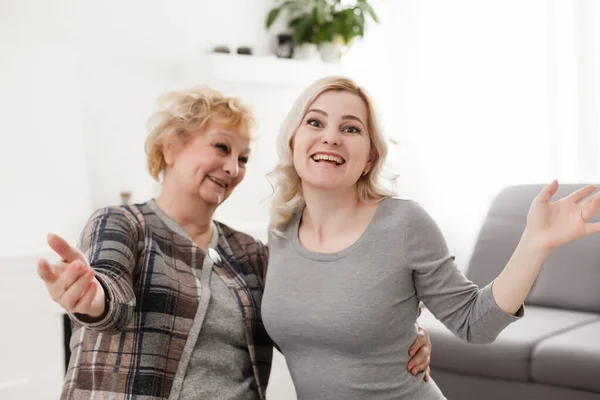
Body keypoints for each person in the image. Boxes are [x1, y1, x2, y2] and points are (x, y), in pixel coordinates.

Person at [37, 85, 433, 400]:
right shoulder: (124, 223)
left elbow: (311, 321)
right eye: (222, 148)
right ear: (170, 147)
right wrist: (93, 300)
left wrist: (397, 333)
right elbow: (112, 293)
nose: (232, 168)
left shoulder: (251, 252)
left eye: (243, 159)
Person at [261, 76, 600, 400]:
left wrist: (534, 243)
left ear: (369, 159)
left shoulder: (404, 224)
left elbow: (474, 324)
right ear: (293, 139)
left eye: (351, 128)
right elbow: (303, 333)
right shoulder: (280, 231)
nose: (331, 137)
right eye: (315, 122)